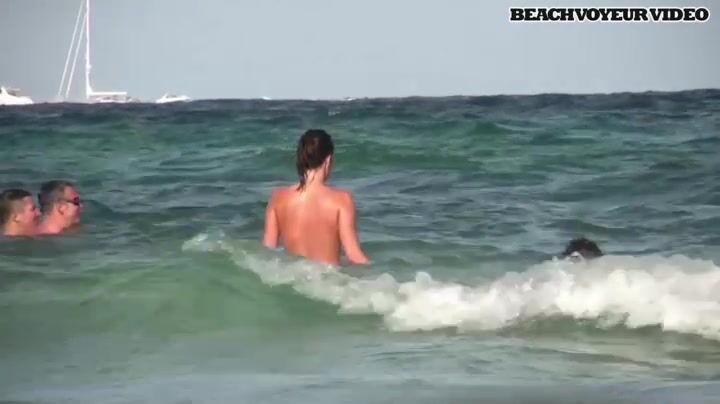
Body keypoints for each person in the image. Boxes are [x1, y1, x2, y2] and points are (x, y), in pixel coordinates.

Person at [263, 129, 369, 265]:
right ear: (328, 160)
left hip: (292, 275)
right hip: (326, 276)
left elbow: (267, 252)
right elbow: (353, 255)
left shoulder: (277, 198)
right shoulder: (341, 200)